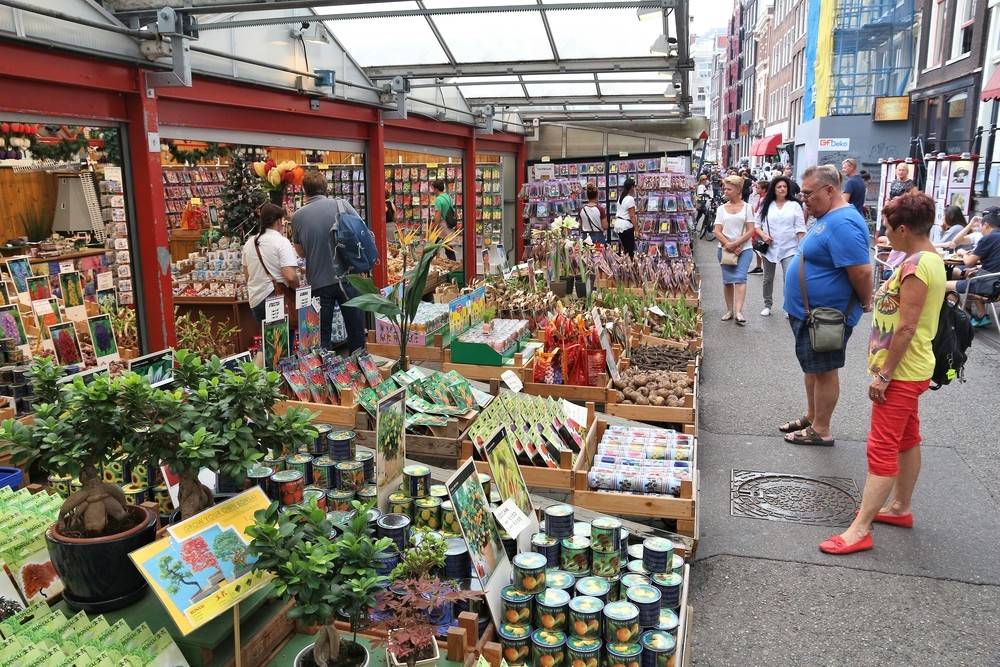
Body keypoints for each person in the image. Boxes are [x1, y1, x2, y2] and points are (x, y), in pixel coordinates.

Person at [819, 192, 945, 555]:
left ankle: (860, 529)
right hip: (912, 367)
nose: (884, 235)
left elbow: (906, 328)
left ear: (904, 228)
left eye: (888, 228)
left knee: (882, 446)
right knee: (906, 438)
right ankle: (900, 507)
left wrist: (885, 374)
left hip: (903, 372)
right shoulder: (926, 258)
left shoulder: (917, 266)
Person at [781, 165, 872, 446]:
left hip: (826, 316)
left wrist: (866, 302)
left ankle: (821, 429)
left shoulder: (844, 222)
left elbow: (862, 272)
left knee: (824, 370)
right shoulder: (828, 216)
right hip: (811, 313)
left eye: (808, 193)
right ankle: (812, 416)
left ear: (829, 190)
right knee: (813, 368)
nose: (803, 199)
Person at [292, 171, 368, 352]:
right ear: (326, 189)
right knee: (356, 330)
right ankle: (359, 369)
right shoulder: (342, 205)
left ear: (305, 191)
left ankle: (323, 374)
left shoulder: (297, 217)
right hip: (348, 278)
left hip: (318, 282)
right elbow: (362, 233)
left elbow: (301, 252)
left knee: (320, 336)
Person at [755, 176, 807, 316]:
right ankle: (767, 304)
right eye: (779, 187)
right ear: (774, 189)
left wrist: (802, 249)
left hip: (790, 247)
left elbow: (800, 228)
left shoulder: (795, 205)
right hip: (769, 247)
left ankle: (788, 306)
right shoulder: (766, 204)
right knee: (768, 278)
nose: (782, 189)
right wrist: (764, 236)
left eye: (785, 186)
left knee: (788, 277)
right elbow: (756, 225)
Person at [242, 203, 299, 323]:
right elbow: (290, 276)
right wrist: (297, 290)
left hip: (256, 300)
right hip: (277, 298)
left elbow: (247, 275)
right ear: (278, 221)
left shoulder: (249, 243)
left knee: (269, 339)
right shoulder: (282, 242)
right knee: (283, 339)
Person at [945, 207, 1000, 327]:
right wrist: (977, 269)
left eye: (980, 227)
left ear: (985, 225)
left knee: (943, 286)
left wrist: (963, 253)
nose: (980, 230)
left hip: (987, 284)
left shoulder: (988, 238)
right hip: (996, 285)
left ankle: (966, 320)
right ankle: (980, 316)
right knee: (969, 273)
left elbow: (969, 262)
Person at [714, 174, 756, 325]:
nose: (725, 191)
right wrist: (728, 245)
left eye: (729, 189)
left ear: (738, 190)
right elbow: (717, 231)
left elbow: (751, 230)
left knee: (740, 278)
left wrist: (736, 244)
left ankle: (738, 311)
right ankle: (729, 310)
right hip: (724, 249)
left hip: (744, 249)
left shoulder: (747, 208)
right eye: (725, 188)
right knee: (727, 281)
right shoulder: (721, 209)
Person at [433, 179, 458, 261]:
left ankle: (430, 264)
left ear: (436, 189)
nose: (433, 191)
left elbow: (438, 215)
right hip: (449, 225)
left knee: (433, 247)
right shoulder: (448, 197)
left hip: (442, 227)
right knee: (448, 247)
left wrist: (435, 229)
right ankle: (453, 262)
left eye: (433, 189)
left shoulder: (439, 199)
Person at [748, 180, 769, 275]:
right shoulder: (761, 198)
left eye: (758, 188)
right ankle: (759, 266)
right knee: (757, 245)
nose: (756, 189)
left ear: (764, 189)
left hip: (760, 227)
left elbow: (759, 215)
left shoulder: (764, 199)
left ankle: (764, 266)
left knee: (757, 245)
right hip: (758, 225)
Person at [613, 177, 638, 256]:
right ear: (631, 187)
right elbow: (632, 216)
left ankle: (626, 264)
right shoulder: (630, 198)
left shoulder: (621, 197)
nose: (634, 189)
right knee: (630, 251)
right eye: (634, 187)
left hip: (619, 225)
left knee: (625, 249)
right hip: (626, 226)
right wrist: (637, 229)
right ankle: (629, 266)